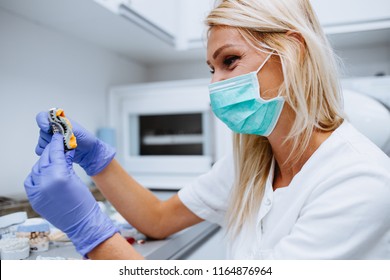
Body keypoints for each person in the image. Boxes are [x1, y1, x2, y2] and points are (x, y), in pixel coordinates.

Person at [24, 0, 390, 260]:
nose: (216, 84)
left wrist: (90, 231)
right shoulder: (254, 159)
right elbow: (158, 218)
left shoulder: (358, 182)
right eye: (211, 69)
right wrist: (96, 160)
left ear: (294, 52)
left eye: (229, 61)